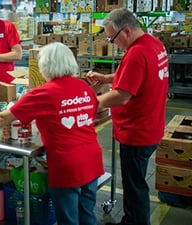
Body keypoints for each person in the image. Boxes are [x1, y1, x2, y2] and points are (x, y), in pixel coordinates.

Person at [0, 42, 105, 225]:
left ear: (45, 66)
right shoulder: (84, 87)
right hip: (92, 160)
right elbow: (89, 115)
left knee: (68, 219)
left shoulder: (44, 93)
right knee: (87, 214)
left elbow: (3, 118)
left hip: (68, 165)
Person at [87, 8, 169, 225]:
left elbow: (122, 96)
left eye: (112, 38)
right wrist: (105, 78)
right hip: (151, 125)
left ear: (125, 31)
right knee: (137, 181)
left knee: (135, 186)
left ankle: (135, 221)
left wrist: (89, 104)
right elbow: (133, 73)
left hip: (137, 132)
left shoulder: (136, 53)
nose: (112, 43)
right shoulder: (153, 44)